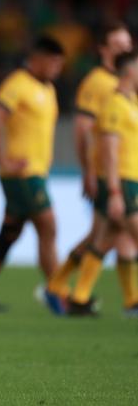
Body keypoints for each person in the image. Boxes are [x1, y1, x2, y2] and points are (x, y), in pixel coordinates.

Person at [0, 36, 65, 311]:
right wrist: (3, 160)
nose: (57, 68)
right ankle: (59, 294)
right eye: (53, 62)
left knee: (9, 233)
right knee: (48, 226)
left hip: (35, 173)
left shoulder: (48, 89)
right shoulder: (18, 84)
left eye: (60, 63)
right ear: (38, 58)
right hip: (22, 174)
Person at [46, 24, 137, 314]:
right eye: (118, 44)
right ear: (104, 49)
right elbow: (85, 130)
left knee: (107, 236)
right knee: (112, 235)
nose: (125, 48)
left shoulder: (129, 95)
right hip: (111, 174)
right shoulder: (99, 84)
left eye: (128, 43)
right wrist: (89, 172)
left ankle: (76, 292)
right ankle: (68, 288)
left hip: (124, 173)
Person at [66, 49, 138, 316]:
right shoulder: (115, 106)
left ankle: (78, 297)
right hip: (123, 183)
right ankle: (67, 289)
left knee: (104, 239)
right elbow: (108, 149)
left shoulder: (132, 104)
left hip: (132, 181)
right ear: (130, 70)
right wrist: (116, 191)